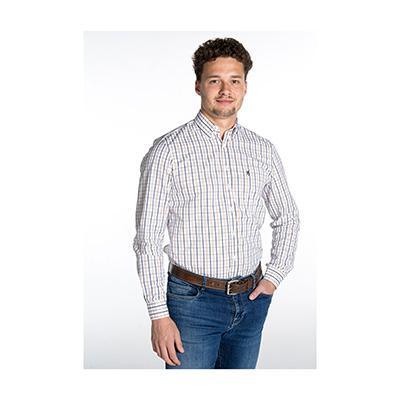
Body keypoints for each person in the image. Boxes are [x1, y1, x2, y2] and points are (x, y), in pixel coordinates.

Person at [132, 37, 300, 369]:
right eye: (215, 81)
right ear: (198, 85)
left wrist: (275, 275)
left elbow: (288, 217)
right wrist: (158, 314)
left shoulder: (262, 149)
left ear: (245, 87)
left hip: (252, 300)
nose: (226, 90)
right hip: (191, 303)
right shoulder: (167, 151)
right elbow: (147, 238)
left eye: (234, 80)